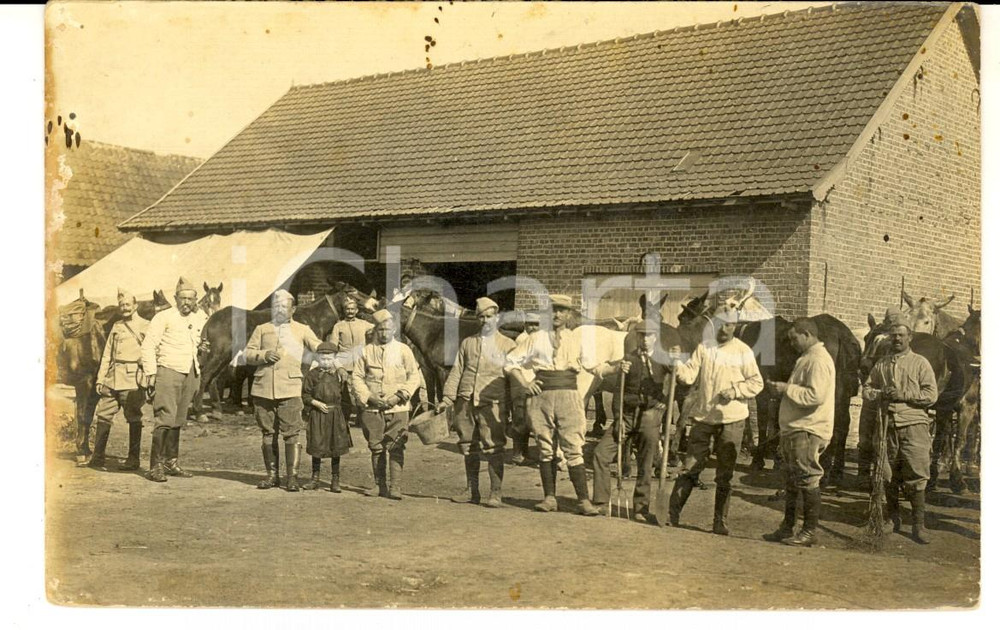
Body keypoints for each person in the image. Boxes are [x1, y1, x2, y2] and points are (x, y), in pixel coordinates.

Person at [667, 306, 764, 534]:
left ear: (735, 326)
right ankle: (672, 513)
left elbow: (756, 383)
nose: (725, 329)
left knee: (725, 473)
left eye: (730, 325)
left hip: (732, 419)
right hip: (703, 418)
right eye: (721, 324)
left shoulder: (743, 351)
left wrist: (737, 390)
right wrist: (676, 364)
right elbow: (689, 375)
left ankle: (720, 521)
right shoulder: (704, 347)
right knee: (690, 466)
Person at [504, 293, 601, 516]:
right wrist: (526, 383)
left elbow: (594, 367)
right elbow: (511, 362)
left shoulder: (578, 339)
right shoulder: (535, 338)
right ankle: (549, 498)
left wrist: (617, 367)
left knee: (573, 448)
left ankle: (583, 501)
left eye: (562, 310)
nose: (557, 314)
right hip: (542, 396)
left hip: (569, 395)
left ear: (568, 314)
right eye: (553, 310)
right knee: (545, 448)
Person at [861, 321, 937, 544]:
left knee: (917, 473)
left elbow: (931, 395)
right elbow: (866, 389)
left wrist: (903, 394)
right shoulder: (881, 364)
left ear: (909, 338)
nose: (897, 339)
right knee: (887, 473)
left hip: (914, 425)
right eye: (893, 336)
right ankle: (893, 519)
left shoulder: (920, 363)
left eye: (901, 336)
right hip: (886, 426)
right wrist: (878, 393)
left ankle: (918, 525)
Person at [763, 318, 836, 547]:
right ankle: (788, 527)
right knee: (793, 480)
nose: (792, 343)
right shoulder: (807, 358)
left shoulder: (818, 360)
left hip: (808, 428)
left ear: (806, 334)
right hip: (796, 428)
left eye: (794, 339)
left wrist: (786, 389)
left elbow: (815, 396)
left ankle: (809, 531)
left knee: (807, 478)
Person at [438, 297, 517, 507]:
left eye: (489, 316)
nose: (485, 321)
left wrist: (513, 407)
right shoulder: (468, 342)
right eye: (481, 317)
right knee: (468, 445)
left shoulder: (508, 345)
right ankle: (472, 491)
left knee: (493, 447)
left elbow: (514, 379)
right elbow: (457, 370)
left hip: (492, 402)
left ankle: (495, 493)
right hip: (465, 401)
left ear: (497, 318)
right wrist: (447, 397)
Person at [592, 321, 670, 523]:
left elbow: (680, 381)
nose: (645, 339)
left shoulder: (664, 360)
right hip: (626, 414)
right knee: (601, 453)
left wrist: (664, 401)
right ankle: (601, 502)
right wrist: (618, 419)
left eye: (649, 335)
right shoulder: (628, 360)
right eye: (641, 335)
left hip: (649, 415)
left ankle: (641, 508)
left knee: (645, 462)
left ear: (656, 338)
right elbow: (618, 391)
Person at [245, 289, 323, 492]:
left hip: (290, 388)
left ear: (293, 309)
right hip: (263, 389)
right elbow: (247, 353)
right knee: (268, 433)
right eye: (276, 306)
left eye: (284, 307)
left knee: (291, 434)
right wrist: (263, 355)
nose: (279, 310)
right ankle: (272, 476)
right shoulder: (262, 329)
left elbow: (319, 348)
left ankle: (292, 478)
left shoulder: (302, 329)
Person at [140, 277, 210, 483]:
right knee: (165, 417)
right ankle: (155, 466)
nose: (186, 302)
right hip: (169, 371)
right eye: (183, 298)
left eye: (190, 298)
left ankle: (171, 462)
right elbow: (148, 346)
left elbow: (202, 342)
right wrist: (151, 374)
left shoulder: (201, 317)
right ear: (175, 298)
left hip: (191, 372)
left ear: (196, 299)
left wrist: (203, 348)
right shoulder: (163, 317)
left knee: (179, 419)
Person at [352, 309, 422, 500]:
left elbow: (414, 376)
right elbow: (357, 377)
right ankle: (378, 485)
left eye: (388, 330)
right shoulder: (365, 351)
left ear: (394, 330)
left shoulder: (403, 350)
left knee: (396, 445)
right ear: (375, 330)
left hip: (398, 408)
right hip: (372, 408)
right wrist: (368, 397)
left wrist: (400, 396)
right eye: (380, 330)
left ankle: (395, 487)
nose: (384, 333)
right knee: (376, 446)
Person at [89, 288, 149, 471]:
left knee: (133, 417)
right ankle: (97, 458)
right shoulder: (116, 326)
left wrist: (146, 369)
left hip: (132, 379)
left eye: (128, 304)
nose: (124, 308)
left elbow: (153, 351)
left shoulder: (146, 325)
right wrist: (100, 379)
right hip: (113, 377)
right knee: (103, 415)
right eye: (121, 305)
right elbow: (107, 354)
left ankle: (133, 460)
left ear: (135, 306)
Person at [301, 341, 353, 492]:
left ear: (335, 359)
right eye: (323, 359)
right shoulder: (312, 375)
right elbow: (305, 395)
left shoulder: (339, 376)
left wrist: (345, 418)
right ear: (317, 358)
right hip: (318, 415)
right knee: (316, 445)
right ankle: (314, 478)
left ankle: (335, 480)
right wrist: (315, 403)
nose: (326, 362)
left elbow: (346, 399)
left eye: (329, 359)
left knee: (335, 447)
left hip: (336, 415)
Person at [327, 296, 373, 426]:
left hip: (360, 363)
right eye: (347, 309)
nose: (350, 311)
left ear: (357, 310)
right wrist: (337, 365)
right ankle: (343, 419)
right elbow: (332, 347)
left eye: (353, 309)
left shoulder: (363, 324)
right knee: (344, 394)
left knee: (361, 390)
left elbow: (379, 326)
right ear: (344, 310)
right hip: (343, 363)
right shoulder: (338, 326)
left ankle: (361, 418)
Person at [508, 311, 540, 465]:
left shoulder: (535, 339)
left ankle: (524, 452)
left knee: (527, 419)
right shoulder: (523, 339)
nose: (533, 327)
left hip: (530, 382)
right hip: (521, 382)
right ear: (525, 325)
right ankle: (517, 454)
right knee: (520, 418)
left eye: (536, 325)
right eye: (530, 324)